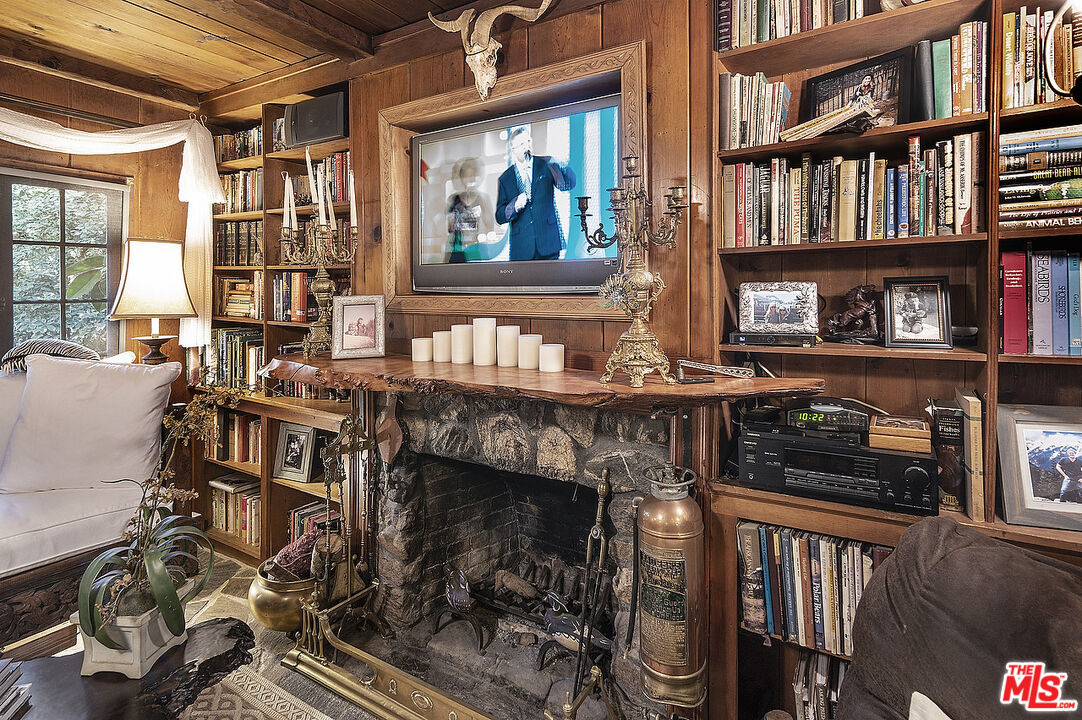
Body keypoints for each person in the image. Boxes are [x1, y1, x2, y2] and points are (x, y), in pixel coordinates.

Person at [495, 126, 577, 261]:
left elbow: (568, 185)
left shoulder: (546, 164)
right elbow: (499, 216)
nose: (523, 147)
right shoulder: (505, 178)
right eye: (519, 145)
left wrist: (561, 163)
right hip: (521, 249)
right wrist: (514, 206)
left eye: (525, 142)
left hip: (549, 244)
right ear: (512, 149)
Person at [444, 158, 496, 263]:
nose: (471, 180)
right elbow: (449, 229)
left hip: (475, 250)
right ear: (462, 178)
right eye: (467, 176)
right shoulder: (453, 199)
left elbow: (490, 225)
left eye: (473, 176)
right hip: (456, 251)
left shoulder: (483, 198)